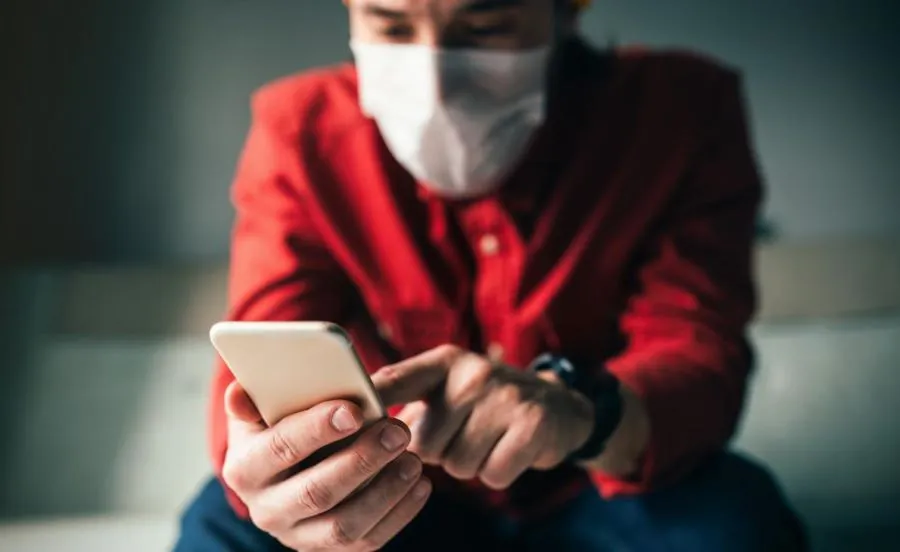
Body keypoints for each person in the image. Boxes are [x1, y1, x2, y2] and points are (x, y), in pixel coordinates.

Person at [176, 0, 807, 550]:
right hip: (398, 492)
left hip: (597, 486)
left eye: (485, 26)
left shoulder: (679, 113)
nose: (434, 81)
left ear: (565, 9)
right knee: (223, 527)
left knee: (736, 516)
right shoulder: (299, 129)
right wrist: (277, 481)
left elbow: (696, 350)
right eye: (391, 26)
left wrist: (579, 412)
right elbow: (263, 350)